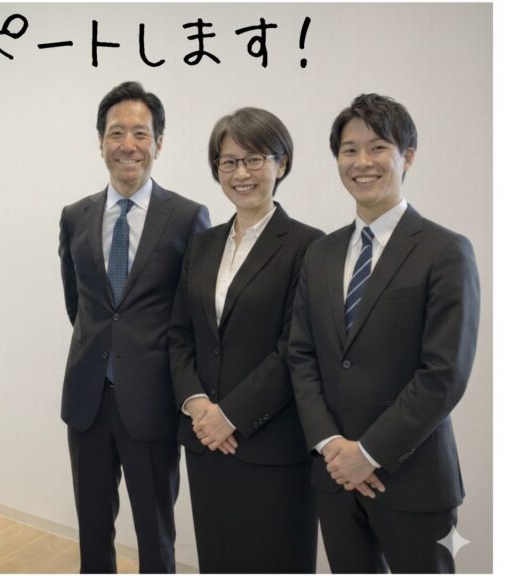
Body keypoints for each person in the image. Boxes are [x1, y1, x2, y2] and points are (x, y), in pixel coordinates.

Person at [288, 94, 480, 573]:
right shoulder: (321, 253)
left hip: (414, 479)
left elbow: (444, 374)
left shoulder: (446, 250)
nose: (362, 162)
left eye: (377, 147)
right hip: (334, 475)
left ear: (407, 156)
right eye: (349, 150)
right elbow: (301, 355)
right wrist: (331, 445)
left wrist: (369, 453)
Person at [59, 81, 210, 573]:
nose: (128, 145)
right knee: (92, 532)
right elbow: (78, 304)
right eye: (116, 133)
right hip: (88, 402)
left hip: (153, 404)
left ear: (158, 143)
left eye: (140, 134)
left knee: (155, 534)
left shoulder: (187, 217)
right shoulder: (75, 217)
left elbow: (194, 317)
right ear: (100, 142)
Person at [169, 107, 323, 572]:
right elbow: (180, 334)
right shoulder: (203, 244)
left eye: (255, 159)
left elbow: (294, 348)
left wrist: (230, 415)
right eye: (229, 162)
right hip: (205, 442)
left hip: (271, 444)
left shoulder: (308, 245)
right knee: (217, 559)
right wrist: (197, 404)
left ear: (282, 163)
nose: (241, 174)